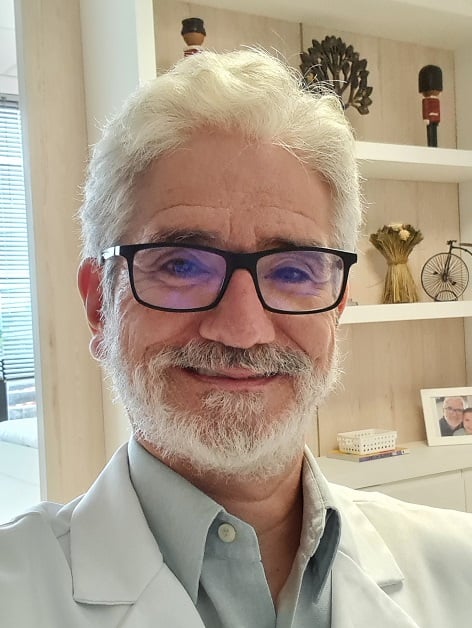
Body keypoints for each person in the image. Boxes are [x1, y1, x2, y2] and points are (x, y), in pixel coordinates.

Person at [1, 49, 472, 628]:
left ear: (337, 309)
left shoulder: (460, 568)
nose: (243, 330)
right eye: (181, 265)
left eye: (293, 271)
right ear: (100, 304)